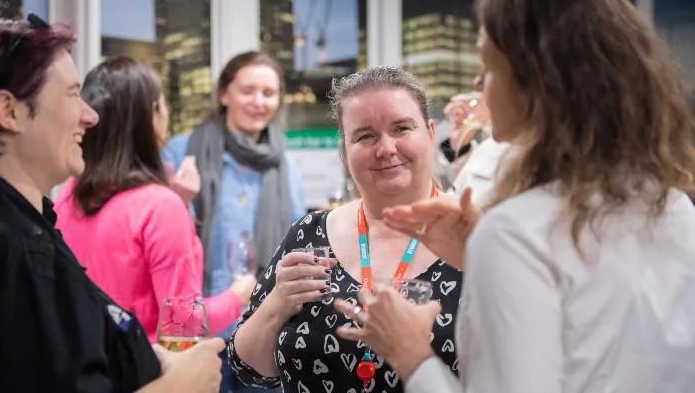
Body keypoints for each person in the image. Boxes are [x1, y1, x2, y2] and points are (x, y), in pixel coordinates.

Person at [336, 0, 695, 393]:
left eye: (488, 66)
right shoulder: (673, 208)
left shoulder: (513, 234)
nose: (478, 83)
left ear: (535, 83)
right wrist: (480, 258)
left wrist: (409, 350)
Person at [0, 15, 225, 393]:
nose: (90, 116)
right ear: (9, 112)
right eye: (72, 95)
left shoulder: (6, 219)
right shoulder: (1, 251)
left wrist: (159, 361)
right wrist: (184, 383)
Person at [228, 66, 463, 392]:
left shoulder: (470, 239)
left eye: (401, 128)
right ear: (344, 151)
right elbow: (249, 366)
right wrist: (278, 304)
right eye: (366, 135)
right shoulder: (309, 234)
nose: (386, 148)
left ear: (431, 132)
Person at [54, 56, 257, 343]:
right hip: (149, 373)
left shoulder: (68, 194)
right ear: (151, 116)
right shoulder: (160, 207)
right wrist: (237, 297)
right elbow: (182, 323)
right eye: (162, 105)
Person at [162, 51, 305, 393]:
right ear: (224, 94)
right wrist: (178, 200)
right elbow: (161, 233)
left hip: (262, 333)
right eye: (247, 90)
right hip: (197, 332)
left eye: (269, 93)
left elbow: (299, 240)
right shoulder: (183, 152)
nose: (258, 102)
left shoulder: (284, 167)